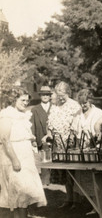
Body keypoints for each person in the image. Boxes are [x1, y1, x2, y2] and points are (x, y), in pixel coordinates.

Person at [0, 87, 47, 218]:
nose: (26, 103)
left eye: (27, 100)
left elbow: (21, 133)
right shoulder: (7, 114)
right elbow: (4, 139)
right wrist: (15, 160)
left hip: (25, 156)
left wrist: (30, 139)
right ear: (13, 99)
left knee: (24, 193)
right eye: (22, 100)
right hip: (14, 156)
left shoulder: (24, 115)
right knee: (17, 191)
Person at [42, 81, 81, 209]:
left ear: (68, 93)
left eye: (62, 95)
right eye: (58, 95)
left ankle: (76, 200)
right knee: (64, 172)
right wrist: (49, 134)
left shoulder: (74, 105)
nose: (60, 98)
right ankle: (68, 199)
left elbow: (77, 125)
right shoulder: (55, 105)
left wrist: (71, 138)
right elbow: (49, 122)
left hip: (71, 144)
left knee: (73, 172)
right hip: (58, 145)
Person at [72, 88, 102, 215]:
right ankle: (89, 204)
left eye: (85, 103)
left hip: (94, 147)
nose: (83, 106)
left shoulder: (98, 113)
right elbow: (74, 131)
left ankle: (98, 205)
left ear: (90, 101)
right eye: (81, 103)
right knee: (83, 177)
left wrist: (93, 137)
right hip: (81, 147)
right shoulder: (78, 113)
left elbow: (101, 132)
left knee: (94, 176)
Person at [30, 86, 53, 185]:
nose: (45, 96)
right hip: (41, 137)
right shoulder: (35, 109)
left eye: (47, 94)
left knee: (56, 158)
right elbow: (32, 125)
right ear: (40, 96)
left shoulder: (54, 107)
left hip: (53, 137)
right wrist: (33, 139)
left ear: (50, 96)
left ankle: (56, 178)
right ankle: (46, 180)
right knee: (45, 159)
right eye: (43, 94)